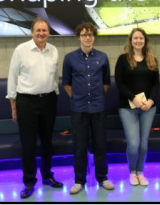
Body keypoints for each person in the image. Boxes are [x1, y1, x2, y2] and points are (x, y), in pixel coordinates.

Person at [7, 18, 63, 199]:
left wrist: (55, 94)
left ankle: (47, 175)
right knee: (29, 145)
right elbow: (12, 78)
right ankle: (29, 181)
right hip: (26, 103)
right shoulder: (21, 50)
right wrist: (14, 105)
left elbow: (54, 78)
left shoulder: (53, 50)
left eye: (44, 30)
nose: (41, 33)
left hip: (48, 101)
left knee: (47, 143)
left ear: (48, 32)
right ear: (32, 32)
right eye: (38, 30)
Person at [62, 23, 114, 194]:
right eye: (84, 35)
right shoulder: (69, 58)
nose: (88, 37)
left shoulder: (103, 57)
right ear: (78, 37)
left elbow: (106, 83)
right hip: (79, 109)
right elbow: (67, 84)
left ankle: (103, 178)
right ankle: (79, 181)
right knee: (80, 147)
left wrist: (96, 97)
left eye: (91, 34)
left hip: (98, 109)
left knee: (100, 146)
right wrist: (78, 98)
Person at [115, 28, 160, 186]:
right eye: (135, 38)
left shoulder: (152, 59)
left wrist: (151, 101)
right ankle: (132, 172)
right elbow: (119, 83)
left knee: (143, 143)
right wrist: (134, 98)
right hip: (128, 108)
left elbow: (156, 84)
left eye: (141, 38)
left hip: (148, 107)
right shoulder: (123, 59)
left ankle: (140, 172)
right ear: (131, 41)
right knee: (133, 144)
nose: (138, 41)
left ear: (145, 40)